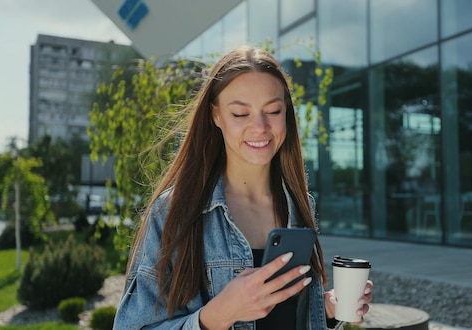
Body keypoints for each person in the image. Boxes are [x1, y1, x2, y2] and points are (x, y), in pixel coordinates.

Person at [112, 45, 374, 330]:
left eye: (273, 110)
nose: (260, 126)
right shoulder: (173, 212)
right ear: (216, 116)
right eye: (240, 114)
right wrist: (217, 316)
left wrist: (326, 310)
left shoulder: (298, 205)